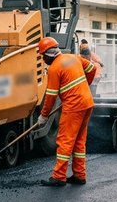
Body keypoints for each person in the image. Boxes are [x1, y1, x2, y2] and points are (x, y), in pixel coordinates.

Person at [37, 37, 96, 187]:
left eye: (43, 56)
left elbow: (50, 96)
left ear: (49, 55)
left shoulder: (54, 68)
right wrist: (85, 86)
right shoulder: (73, 57)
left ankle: (59, 176)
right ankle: (79, 175)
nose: (43, 59)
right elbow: (92, 68)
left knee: (65, 141)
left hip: (74, 107)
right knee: (79, 141)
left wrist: (44, 116)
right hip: (87, 102)